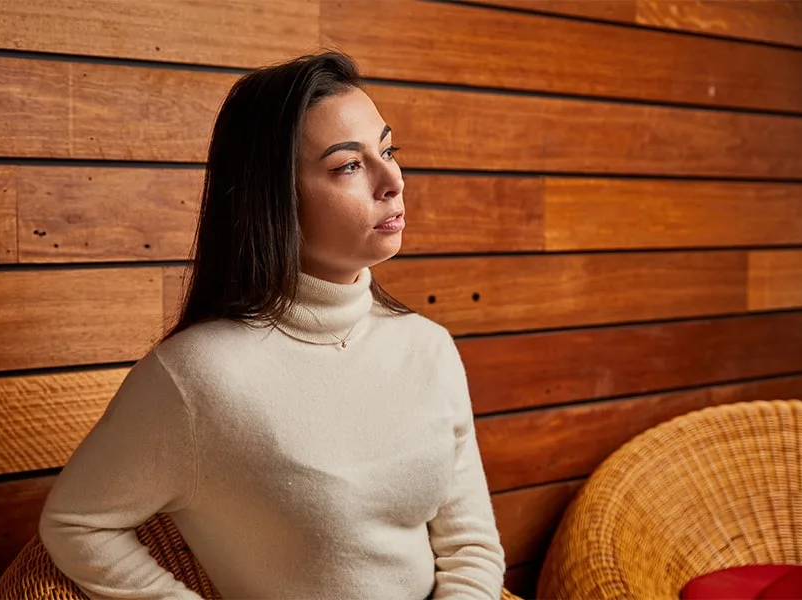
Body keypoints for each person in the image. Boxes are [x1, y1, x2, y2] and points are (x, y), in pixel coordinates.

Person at [39, 50, 506, 600]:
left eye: (387, 150)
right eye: (348, 165)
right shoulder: (198, 377)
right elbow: (76, 523)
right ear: (276, 196)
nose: (393, 181)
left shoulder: (429, 348)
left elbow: (471, 545)